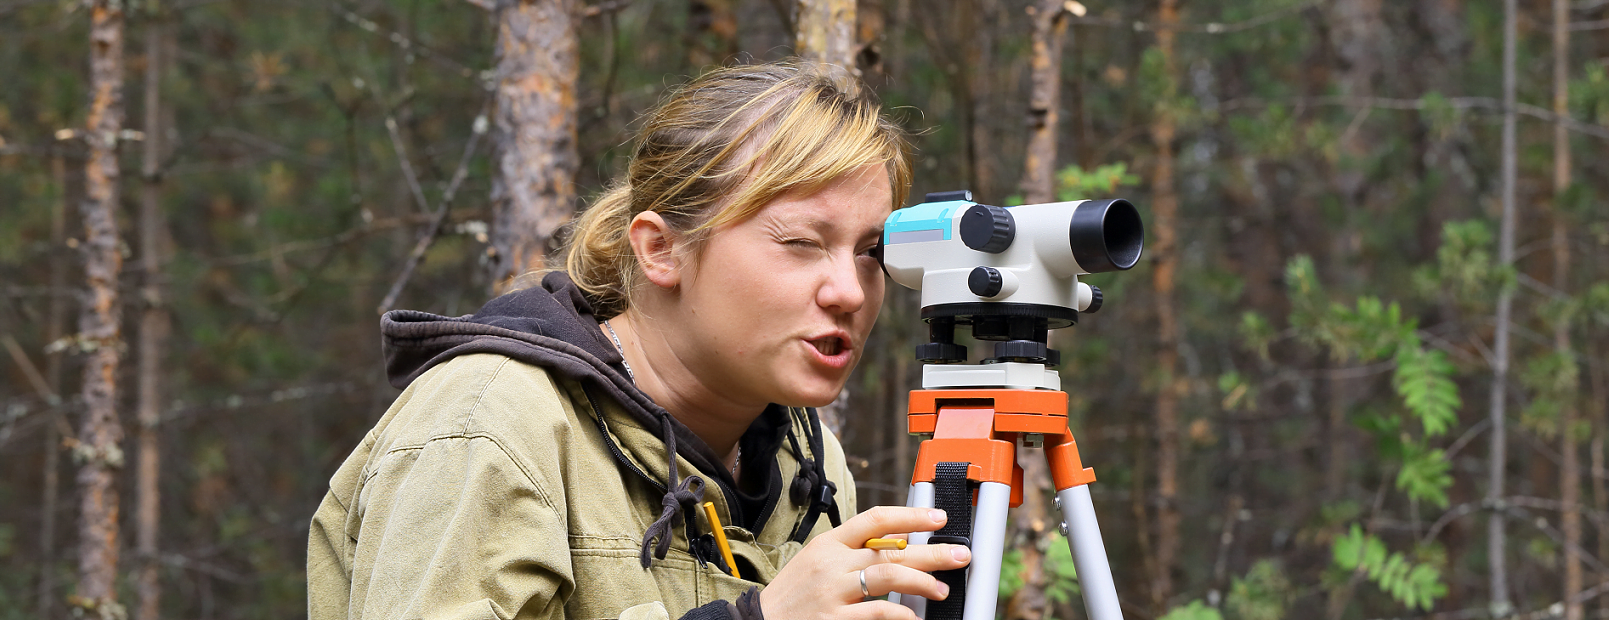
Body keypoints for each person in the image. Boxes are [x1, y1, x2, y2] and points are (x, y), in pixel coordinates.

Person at [306, 60, 971, 620]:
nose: (850, 292)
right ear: (661, 249)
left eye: (870, 252)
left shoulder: (807, 457)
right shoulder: (488, 424)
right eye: (801, 244)